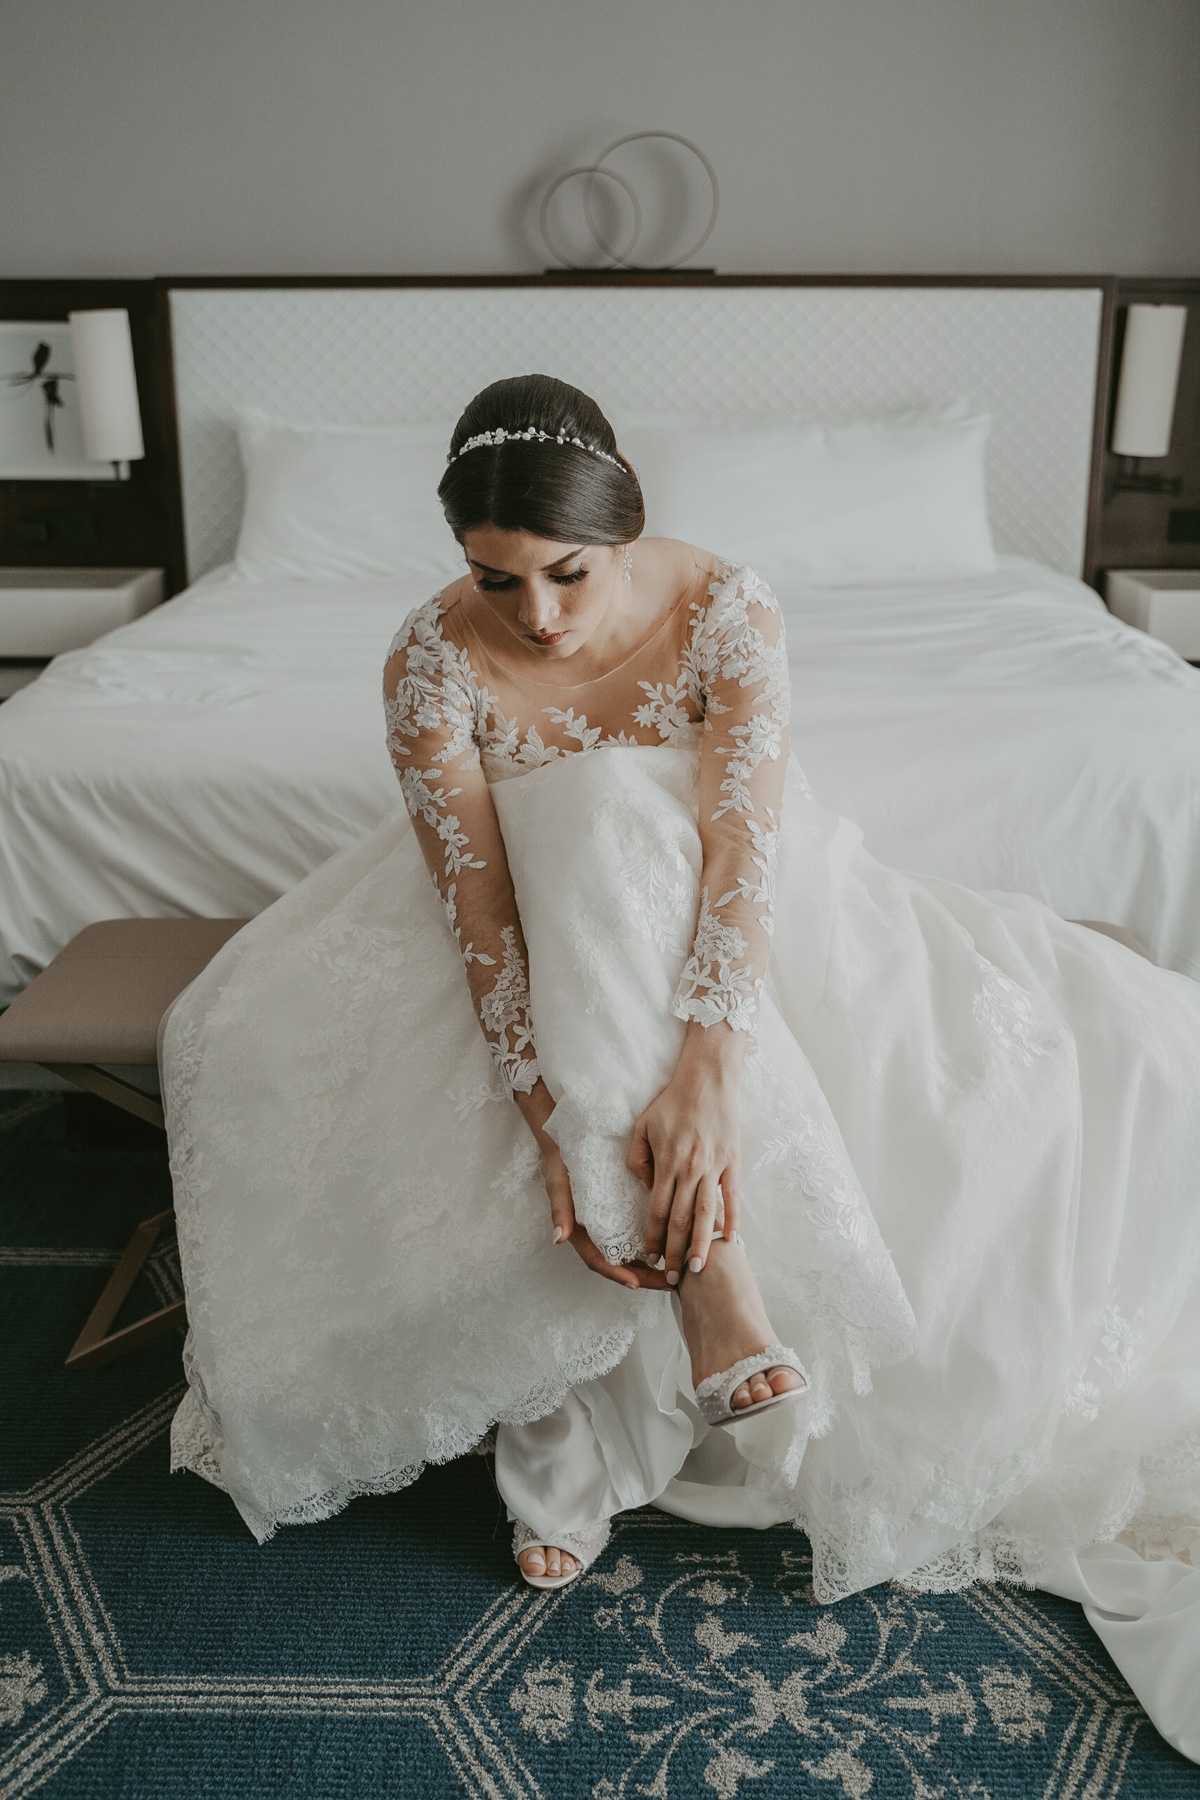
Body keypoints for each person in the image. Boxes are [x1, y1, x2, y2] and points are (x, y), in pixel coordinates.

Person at [166, 375, 1200, 1758]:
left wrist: (710, 1073)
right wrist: (542, 1111)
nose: (536, 615)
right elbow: (479, 911)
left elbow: (740, 846)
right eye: (495, 579)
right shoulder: (429, 660)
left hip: (746, 920)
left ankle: (590, 1428)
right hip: (541, 937)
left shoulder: (726, 605)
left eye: (567, 574)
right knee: (582, 838)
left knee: (619, 828)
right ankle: (718, 1307)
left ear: (624, 525)